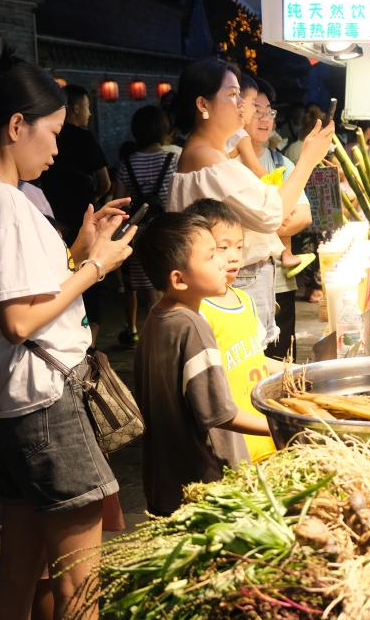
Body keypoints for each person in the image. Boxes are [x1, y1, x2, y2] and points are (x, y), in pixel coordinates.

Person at [0, 51, 135, 620]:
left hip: (7, 408)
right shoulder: (4, 204)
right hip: (44, 410)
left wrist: (78, 250)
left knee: (21, 568)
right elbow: (19, 320)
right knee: (83, 581)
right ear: (15, 126)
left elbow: (24, 294)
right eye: (52, 132)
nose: (58, 148)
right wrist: (97, 268)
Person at [166, 59, 334, 347]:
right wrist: (308, 159)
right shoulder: (207, 159)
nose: (241, 104)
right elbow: (271, 215)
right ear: (202, 105)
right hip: (236, 279)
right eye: (232, 95)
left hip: (240, 279)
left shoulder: (213, 155)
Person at [132, 212, 270, 515]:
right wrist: (281, 427)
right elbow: (221, 415)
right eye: (211, 257)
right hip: (203, 485)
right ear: (178, 279)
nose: (224, 262)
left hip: (164, 480)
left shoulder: (157, 318)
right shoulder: (192, 326)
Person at [185, 199, 280, 462]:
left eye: (239, 246)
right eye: (222, 247)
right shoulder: (199, 311)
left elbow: (255, 357)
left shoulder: (244, 300)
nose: (234, 255)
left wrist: (296, 372)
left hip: (263, 427)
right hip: (232, 438)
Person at [39, 84, 112, 346]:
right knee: (86, 282)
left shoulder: (29, 196)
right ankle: (88, 347)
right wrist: (93, 201)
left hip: (52, 220)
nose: (90, 114)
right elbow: (105, 182)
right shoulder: (84, 138)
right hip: (80, 218)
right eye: (88, 107)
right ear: (77, 108)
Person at [247, 82, 314, 359]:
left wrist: (262, 220)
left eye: (269, 111)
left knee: (283, 364)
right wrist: (277, 216)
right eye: (256, 110)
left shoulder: (281, 161)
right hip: (238, 288)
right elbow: (280, 218)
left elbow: (302, 217)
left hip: (280, 287)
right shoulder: (223, 165)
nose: (264, 118)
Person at [113, 105, 180, 346]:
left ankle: (154, 341)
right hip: (168, 232)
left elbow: (118, 205)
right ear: (163, 129)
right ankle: (170, 342)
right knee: (170, 288)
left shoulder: (126, 164)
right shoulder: (174, 159)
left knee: (150, 295)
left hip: (138, 235)